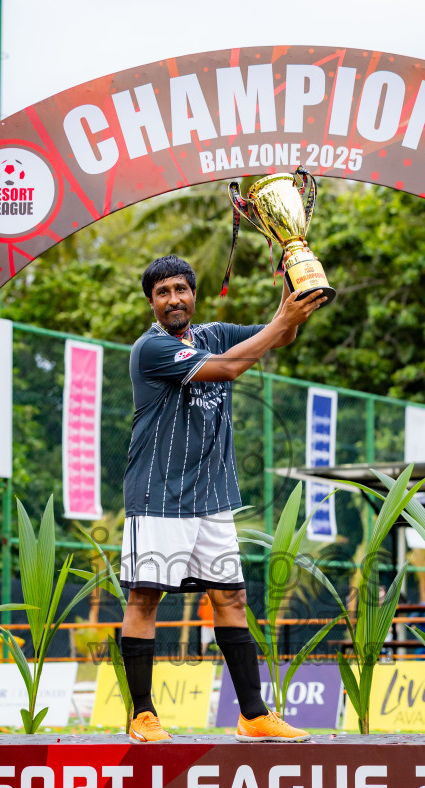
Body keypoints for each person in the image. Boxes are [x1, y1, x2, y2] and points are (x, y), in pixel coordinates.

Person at [120, 254, 326, 743]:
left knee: (231, 598)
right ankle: (142, 715)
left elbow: (281, 335)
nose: (174, 299)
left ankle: (253, 716)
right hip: (158, 496)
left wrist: (291, 276)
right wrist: (283, 318)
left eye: (181, 289)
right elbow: (230, 369)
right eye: (163, 292)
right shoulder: (150, 348)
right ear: (151, 303)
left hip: (212, 498)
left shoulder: (213, 333)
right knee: (145, 598)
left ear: (194, 294)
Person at [197, 592, 215, 657]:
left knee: (204, 643)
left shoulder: (204, 597)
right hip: (216, 624)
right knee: (222, 643)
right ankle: (224, 660)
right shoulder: (217, 597)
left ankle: (200, 658)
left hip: (205, 624)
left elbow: (200, 613)